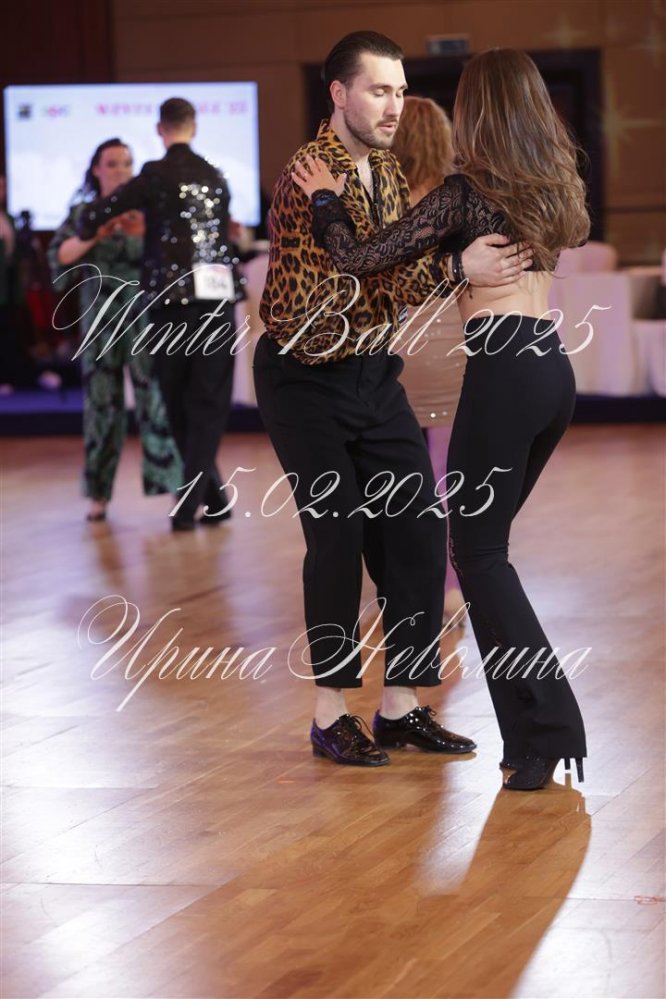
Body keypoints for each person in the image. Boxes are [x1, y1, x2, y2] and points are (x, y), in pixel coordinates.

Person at [292, 47, 589, 790]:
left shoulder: (464, 194)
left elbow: (359, 259)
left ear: (475, 110)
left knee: (480, 557)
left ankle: (549, 729)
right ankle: (528, 737)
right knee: (483, 555)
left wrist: (326, 199)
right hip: (552, 369)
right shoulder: (553, 184)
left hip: (505, 373)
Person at [255, 31, 533, 768]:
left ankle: (401, 707)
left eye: (400, 91)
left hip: (373, 373)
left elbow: (398, 278)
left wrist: (450, 265)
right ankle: (329, 715)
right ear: (339, 93)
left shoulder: (382, 169)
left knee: (416, 531)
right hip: (302, 378)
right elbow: (357, 273)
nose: (394, 105)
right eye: (379, 90)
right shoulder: (310, 173)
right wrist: (456, 266)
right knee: (338, 536)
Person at [75, 99, 244, 531]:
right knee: (206, 403)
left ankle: (188, 506)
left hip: (172, 304)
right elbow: (227, 237)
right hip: (217, 300)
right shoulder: (216, 176)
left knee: (179, 402)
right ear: (194, 127)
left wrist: (96, 222)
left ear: (160, 129)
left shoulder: (154, 175)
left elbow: (94, 215)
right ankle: (214, 500)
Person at [48, 139, 182, 521]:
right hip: (100, 324)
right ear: (97, 169)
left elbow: (172, 257)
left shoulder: (148, 211)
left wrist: (146, 233)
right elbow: (60, 257)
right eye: (112, 163)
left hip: (144, 319)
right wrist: (94, 234)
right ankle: (98, 494)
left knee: (155, 401)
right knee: (101, 407)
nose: (120, 170)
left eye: (126, 163)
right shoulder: (84, 213)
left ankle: (175, 489)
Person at [390, 96, 466, 625]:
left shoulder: (379, 200)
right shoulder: (459, 200)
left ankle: (401, 586)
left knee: (392, 481)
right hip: (451, 350)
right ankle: (451, 587)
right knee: (446, 479)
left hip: (393, 350)